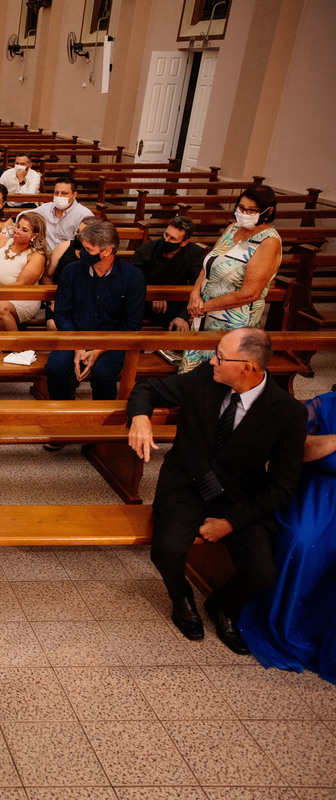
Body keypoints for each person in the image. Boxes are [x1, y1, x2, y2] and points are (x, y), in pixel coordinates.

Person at [128, 327, 306, 654]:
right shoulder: (205, 379)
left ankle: (223, 605)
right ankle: (182, 598)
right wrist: (140, 417)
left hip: (239, 497)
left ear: (248, 368)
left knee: (262, 572)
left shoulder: (288, 413)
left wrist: (231, 522)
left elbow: (282, 486)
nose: (212, 361)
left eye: (221, 358)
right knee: (167, 549)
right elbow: (148, 387)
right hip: (186, 483)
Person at [239, 390, 336, 681]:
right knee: (305, 541)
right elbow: (293, 449)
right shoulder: (323, 405)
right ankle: (286, 622)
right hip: (317, 490)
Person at [179, 186, 283, 372]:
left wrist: (204, 306)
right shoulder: (232, 228)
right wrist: (195, 294)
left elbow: (249, 294)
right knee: (192, 375)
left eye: (250, 210)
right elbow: (208, 266)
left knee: (220, 375)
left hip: (233, 323)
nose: (243, 213)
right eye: (240, 207)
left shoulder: (268, 242)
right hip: (203, 315)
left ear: (269, 212)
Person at [46, 219, 146, 405]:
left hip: (113, 338)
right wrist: (77, 346)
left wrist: (99, 350)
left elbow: (131, 325)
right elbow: (62, 314)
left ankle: (103, 421)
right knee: (55, 367)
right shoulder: (72, 271)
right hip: (76, 334)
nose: (82, 253)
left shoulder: (132, 277)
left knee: (103, 373)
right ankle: (61, 413)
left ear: (107, 251)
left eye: (89, 250)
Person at [131, 216, 205, 331]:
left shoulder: (195, 253)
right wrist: (155, 294)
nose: (166, 240)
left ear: (185, 242)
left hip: (174, 303)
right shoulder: (144, 251)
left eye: (173, 239)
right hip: (144, 300)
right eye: (166, 235)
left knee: (180, 329)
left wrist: (183, 316)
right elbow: (133, 283)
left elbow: (197, 286)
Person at [0, 212, 48, 331]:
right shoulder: (2, 242)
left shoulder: (36, 256)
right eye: (18, 226)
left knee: (0, 307)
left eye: (24, 230)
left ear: (34, 236)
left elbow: (21, 285)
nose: (17, 231)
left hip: (22, 297)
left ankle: (16, 349)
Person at [33, 178, 96, 250]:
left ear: (74, 195)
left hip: (70, 258)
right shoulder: (45, 208)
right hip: (46, 255)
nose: (59, 196)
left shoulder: (84, 215)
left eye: (64, 193)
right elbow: (24, 216)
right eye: (56, 193)